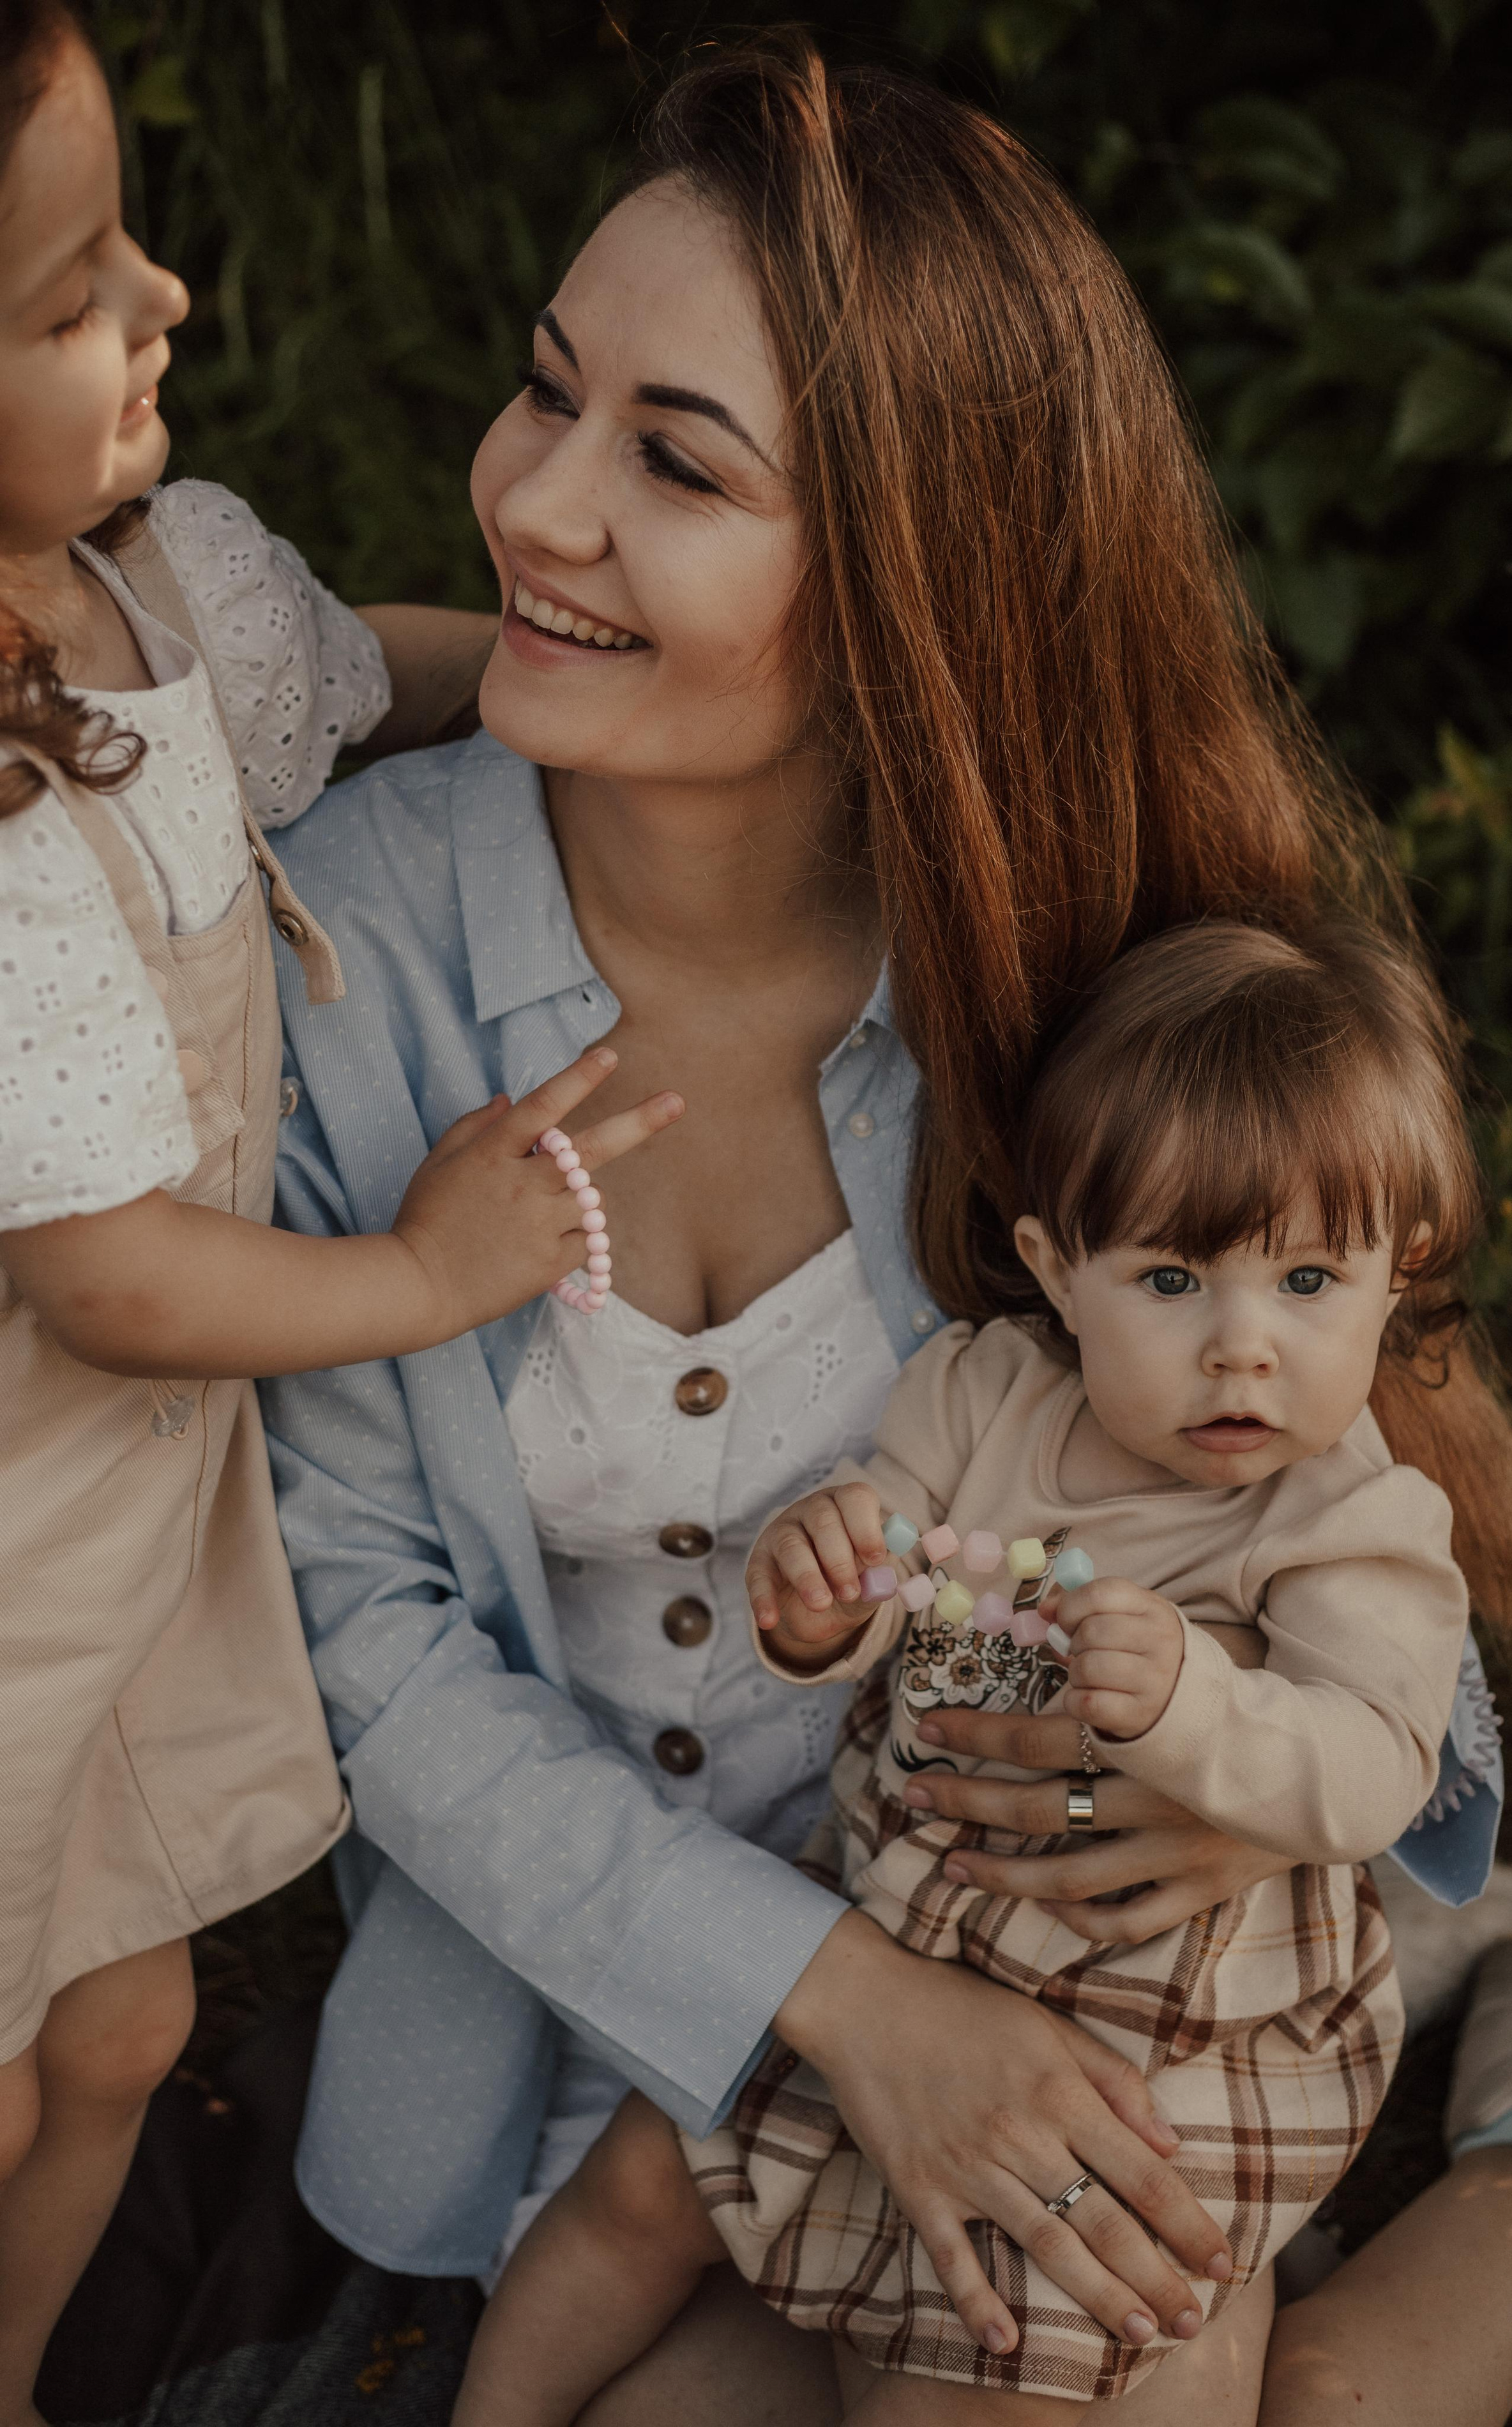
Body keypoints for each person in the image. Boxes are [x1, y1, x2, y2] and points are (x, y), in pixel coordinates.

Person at [259, 33, 1512, 2427]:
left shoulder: (1078, 959)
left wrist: (1243, 1791)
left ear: (912, 574)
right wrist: (853, 2004)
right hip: (631, 2049)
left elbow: (1349, 1452)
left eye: (676, 462)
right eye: (545, 395)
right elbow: (367, 1645)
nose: (540, 503)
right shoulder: (349, 951)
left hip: (1088, 1989)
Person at [0, 9, 683, 2420]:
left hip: (116, 1518)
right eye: (73, 290)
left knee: (125, 2016)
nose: (166, 296)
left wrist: (565, 674)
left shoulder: (161, 582)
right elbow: (100, 1271)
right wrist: (416, 1277)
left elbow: (361, 686)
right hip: (21, 1516)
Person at [456, 917, 1479, 2419]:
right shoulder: (979, 1395)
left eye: (1309, 1278)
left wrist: (1198, 1701)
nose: (1241, 1349)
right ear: (1056, 1272)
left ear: (1398, 1279)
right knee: (636, 2182)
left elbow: (1376, 1757)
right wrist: (822, 1596)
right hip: (902, 1919)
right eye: (1174, 1279)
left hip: (1151, 2019)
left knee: (1010, 2332)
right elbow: (882, 1592)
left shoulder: (1344, 1520)